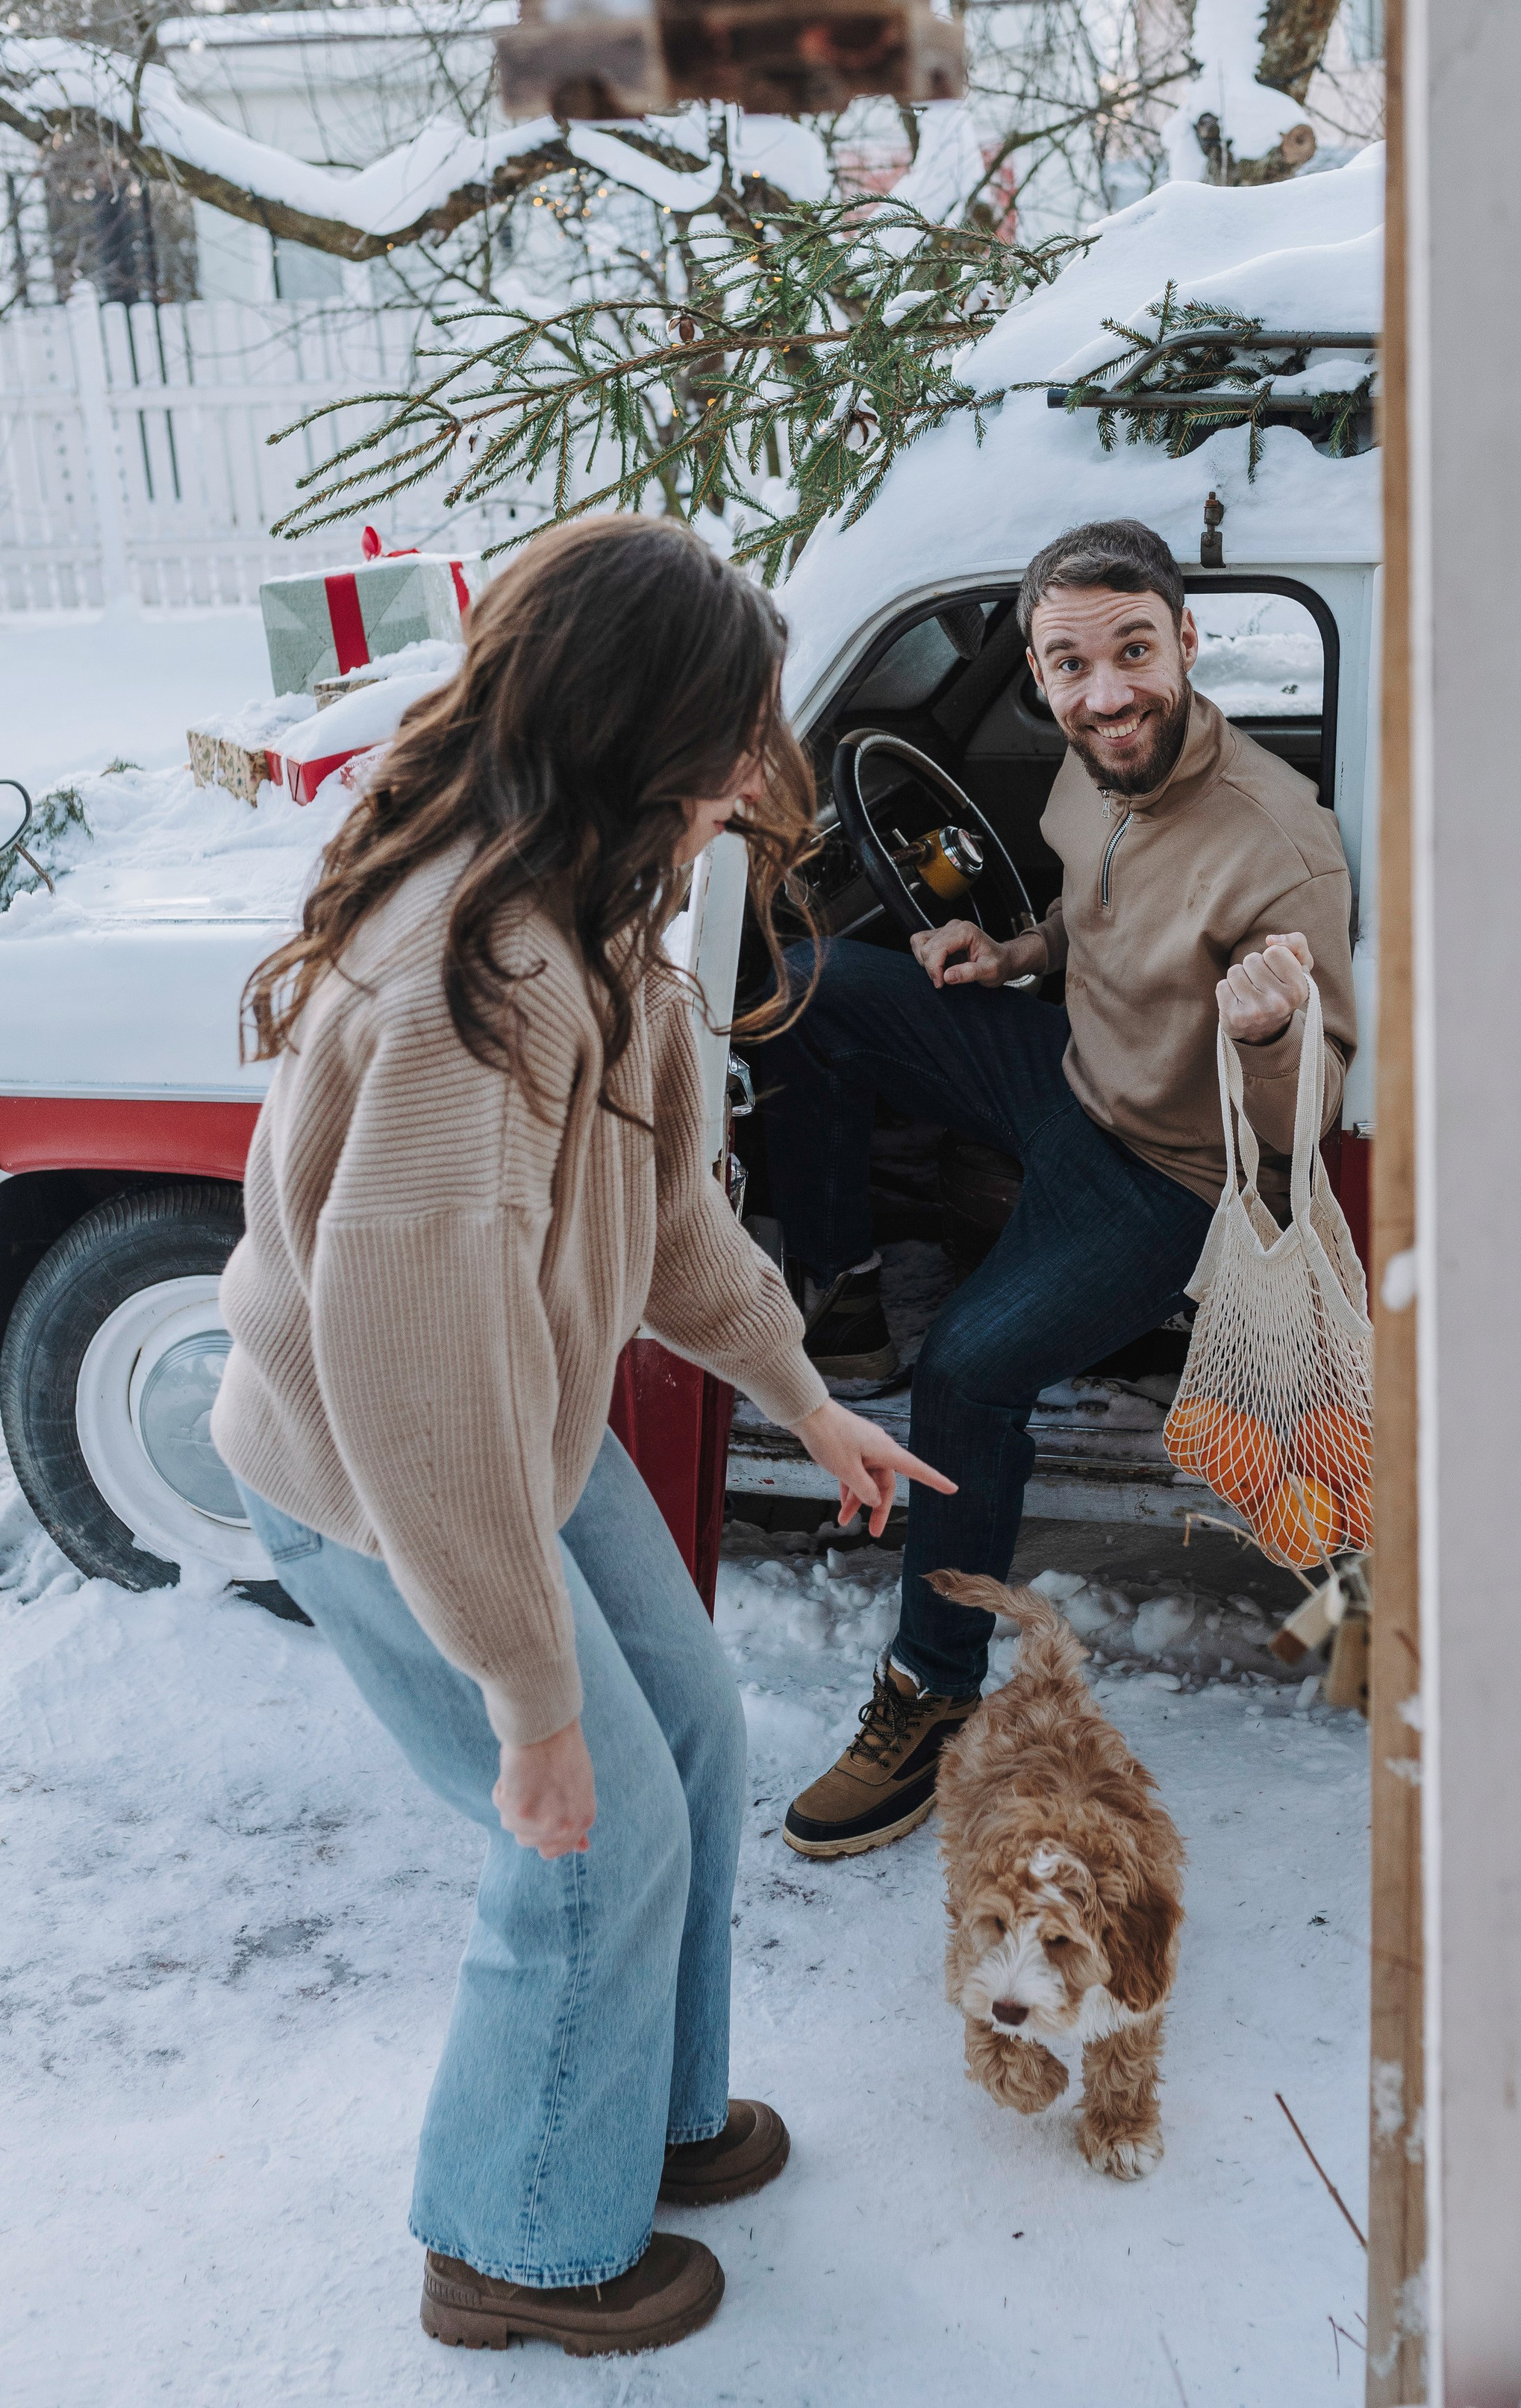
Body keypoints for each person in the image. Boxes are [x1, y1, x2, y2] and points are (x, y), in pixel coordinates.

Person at [210, 517, 946, 2359]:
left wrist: (799, 1384)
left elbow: (662, 1208)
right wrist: (528, 1697)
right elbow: (412, 1375)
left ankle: (648, 2118)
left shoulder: (592, 910)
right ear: (637, 731)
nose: (749, 777)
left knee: (690, 1721)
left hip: (502, 1415)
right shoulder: (473, 982)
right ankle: (519, 2235)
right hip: (389, 1474)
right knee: (584, 1828)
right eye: (729, 736)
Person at [764, 517, 1358, 1859]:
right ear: (1039, 672)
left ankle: (931, 1691)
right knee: (812, 987)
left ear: (1187, 644)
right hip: (1066, 1065)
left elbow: (1304, 1124)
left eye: (1134, 651)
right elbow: (1097, 924)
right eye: (1070, 662)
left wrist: (1269, 1036)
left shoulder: (1278, 844)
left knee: (968, 1369)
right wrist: (1015, 947)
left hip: (1168, 1167)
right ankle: (845, 1294)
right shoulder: (1092, 773)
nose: (1105, 693)